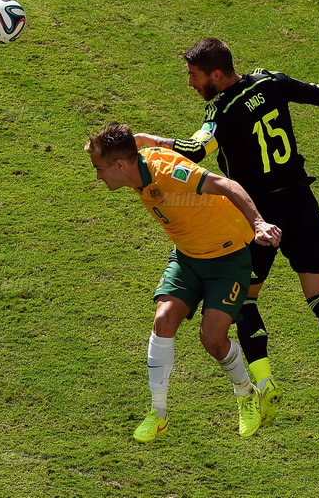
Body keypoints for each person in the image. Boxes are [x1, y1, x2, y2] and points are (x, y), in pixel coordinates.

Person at [134, 38, 319, 426]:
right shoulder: (270, 82)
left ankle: (265, 383)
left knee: (245, 302)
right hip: (301, 203)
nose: (190, 83)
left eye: (194, 75)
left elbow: (193, 150)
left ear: (217, 75)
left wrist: (153, 142)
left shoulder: (220, 111)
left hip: (257, 217)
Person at [85, 123, 282, 442]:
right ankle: (158, 414)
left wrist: (258, 223)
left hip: (227, 258)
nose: (97, 176)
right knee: (162, 321)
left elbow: (226, 184)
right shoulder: (134, 163)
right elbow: (138, 139)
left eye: (99, 168)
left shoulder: (169, 172)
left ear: (120, 165)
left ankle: (246, 394)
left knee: (213, 340)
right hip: (188, 257)